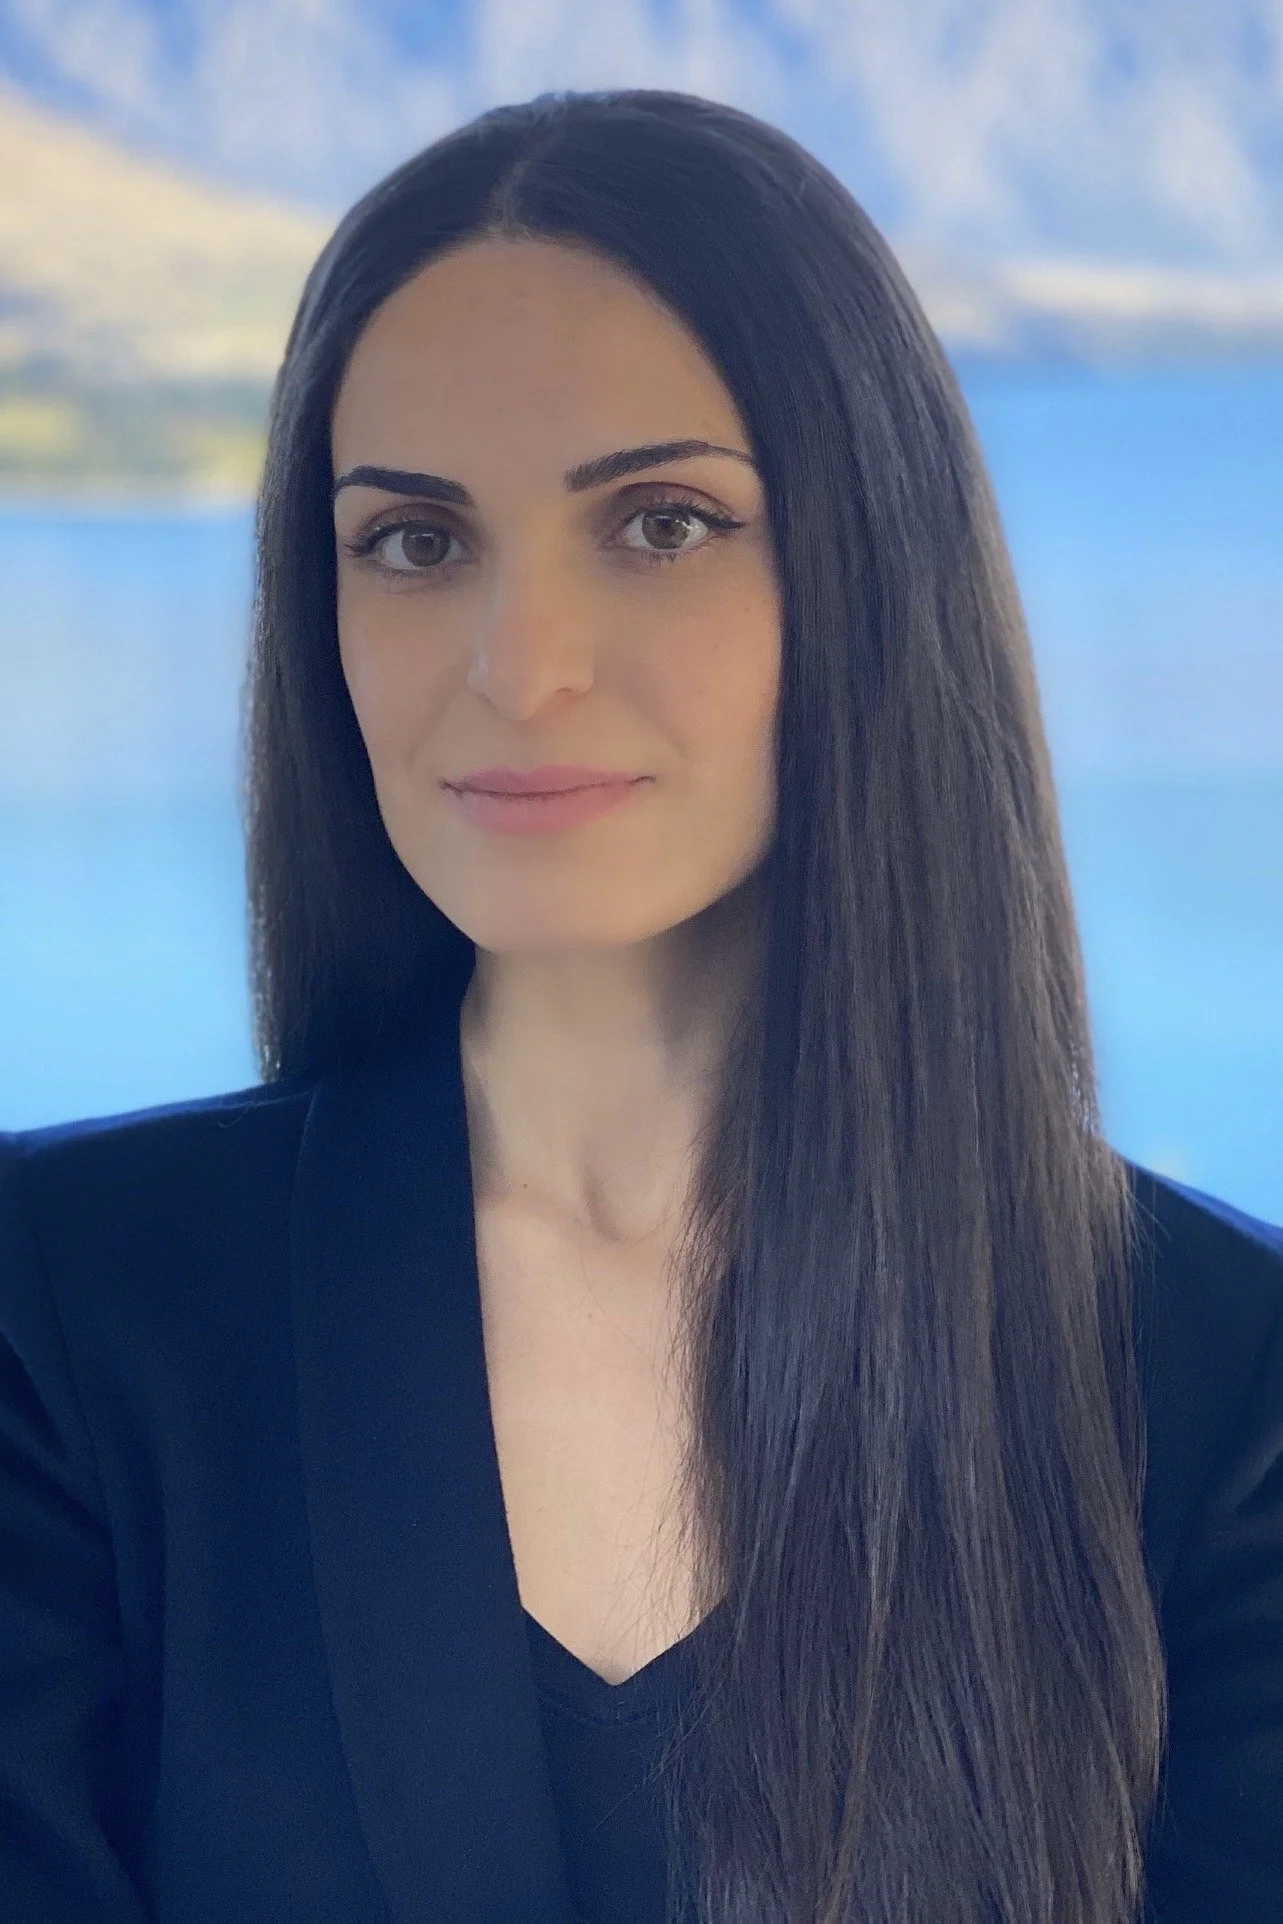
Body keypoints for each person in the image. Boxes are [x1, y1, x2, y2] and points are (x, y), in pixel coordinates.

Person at [1, 87, 1281, 1924]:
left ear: (869, 569)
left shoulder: (1222, 1390)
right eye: (415, 542)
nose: (520, 671)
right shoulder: (59, 1318)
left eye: (662, 524)